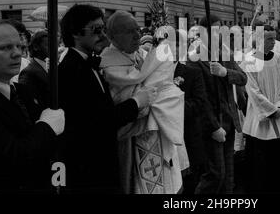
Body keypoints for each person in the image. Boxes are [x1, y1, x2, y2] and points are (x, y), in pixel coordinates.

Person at [58, 4, 156, 193]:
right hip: (88, 169)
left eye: (103, 28)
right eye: (96, 30)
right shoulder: (71, 70)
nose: (103, 35)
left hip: (101, 162)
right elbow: (98, 121)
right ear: (76, 33)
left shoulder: (87, 63)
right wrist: (136, 102)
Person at [101, 12, 186, 194]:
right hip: (130, 142)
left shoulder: (137, 55)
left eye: (137, 30)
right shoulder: (110, 65)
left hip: (152, 136)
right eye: (129, 32)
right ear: (112, 36)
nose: (137, 36)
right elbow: (138, 101)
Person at [0, 20, 65, 193]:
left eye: (19, 46)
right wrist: (47, 126)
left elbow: (51, 150)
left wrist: (59, 181)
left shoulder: (22, 91)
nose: (17, 54)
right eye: (5, 48)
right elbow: (13, 156)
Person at [194, 14, 248, 194]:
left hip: (229, 121)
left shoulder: (225, 54)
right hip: (212, 126)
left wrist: (225, 72)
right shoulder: (195, 59)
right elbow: (201, 99)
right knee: (216, 174)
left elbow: (242, 78)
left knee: (229, 177)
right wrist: (214, 127)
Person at [241, 25, 280, 194]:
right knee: (260, 169)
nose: (273, 42)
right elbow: (253, 91)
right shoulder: (250, 59)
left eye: (274, 38)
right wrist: (272, 110)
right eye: (269, 39)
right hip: (260, 121)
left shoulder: (279, 58)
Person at [173, 30, 209, 194]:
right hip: (165, 145)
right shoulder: (151, 75)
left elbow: (199, 103)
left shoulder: (192, 73)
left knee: (189, 187)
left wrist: (171, 108)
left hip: (188, 141)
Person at [18, 30, 50, 113]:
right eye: (47, 45)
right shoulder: (29, 72)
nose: (53, 48)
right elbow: (29, 103)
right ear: (36, 47)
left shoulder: (47, 66)